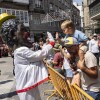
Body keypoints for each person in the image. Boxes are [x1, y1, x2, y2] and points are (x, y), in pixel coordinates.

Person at [14, 25, 55, 100]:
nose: (26, 34)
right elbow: (39, 55)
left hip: (28, 84)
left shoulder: (19, 49)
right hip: (26, 86)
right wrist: (51, 44)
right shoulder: (21, 50)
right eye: (23, 31)